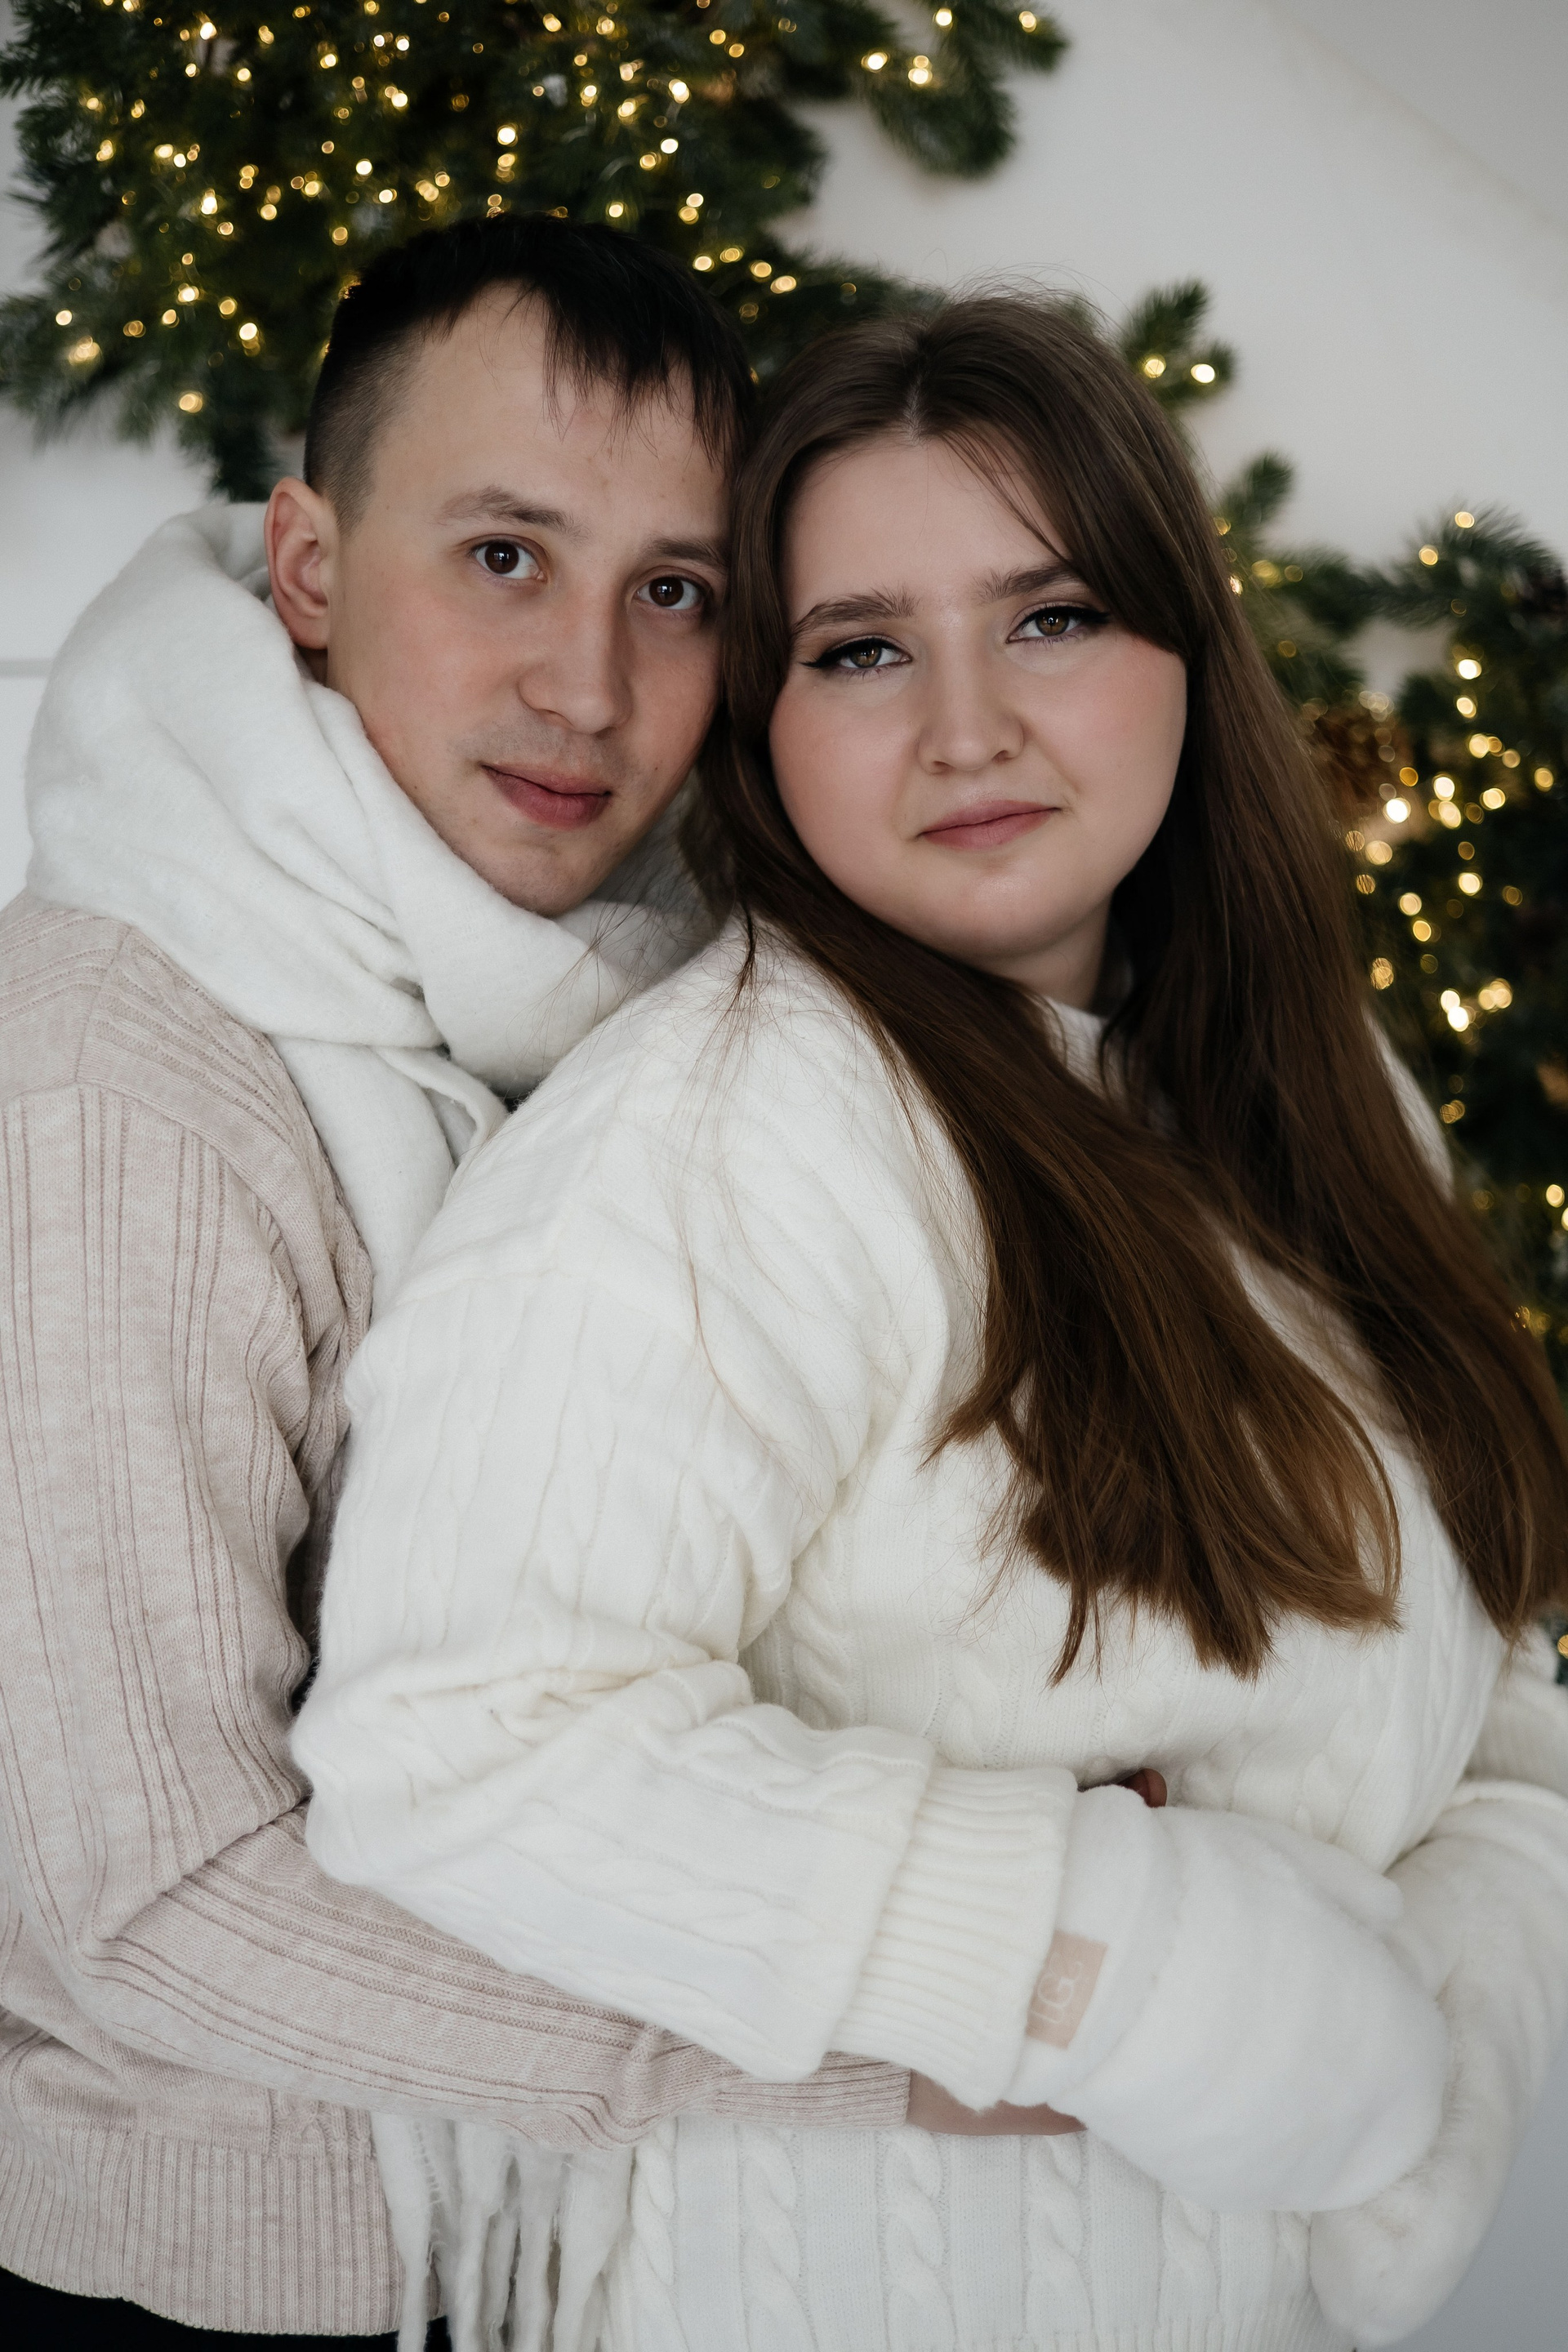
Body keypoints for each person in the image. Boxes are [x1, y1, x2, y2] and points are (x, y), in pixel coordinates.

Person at [296, 291, 1568, 2352]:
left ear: (1184, 649)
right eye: (863, 649)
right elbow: (458, 1747)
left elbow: (1490, 1628)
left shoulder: (1328, 1104)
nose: (967, 730)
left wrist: (1473, 1989)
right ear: (768, 720)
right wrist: (1114, 1973)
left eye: (1050, 617)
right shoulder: (731, 1134)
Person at [0, 215, 973, 2352]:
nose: (589, 688)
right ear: (311, 566)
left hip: (582, 2261)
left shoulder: (660, 1007)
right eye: (506, 556)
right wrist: (930, 2033)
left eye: (674, 592)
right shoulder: (120, 1077)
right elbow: (150, 1902)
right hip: (246, 2278)